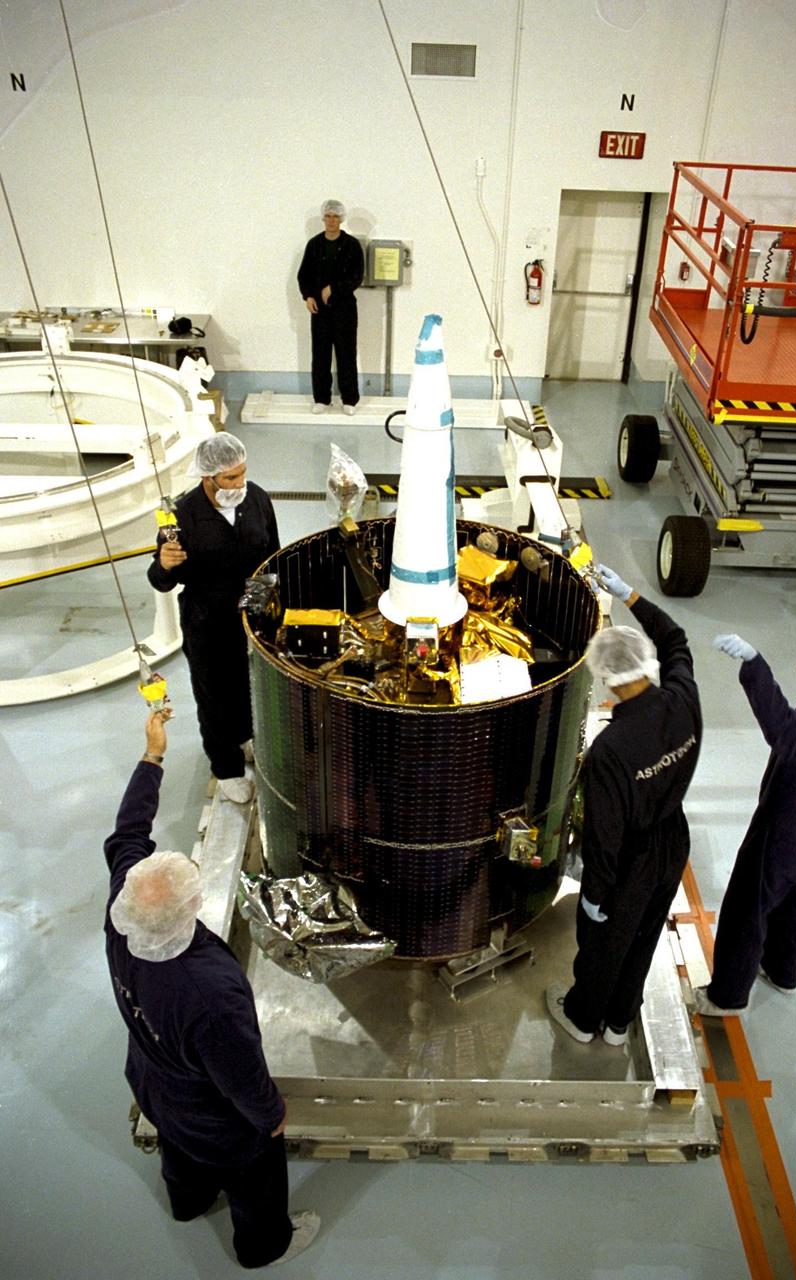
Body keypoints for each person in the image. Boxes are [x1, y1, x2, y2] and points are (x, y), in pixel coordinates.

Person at [104, 710, 320, 1268]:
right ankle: (263, 1245)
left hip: (152, 1083)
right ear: (191, 910)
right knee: (256, 1178)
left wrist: (152, 755)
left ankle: (189, 1201)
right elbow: (239, 1074)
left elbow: (127, 833)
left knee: (179, 1154)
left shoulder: (122, 913)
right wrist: (270, 1116)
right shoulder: (208, 993)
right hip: (216, 1121)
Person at [545, 565, 702, 1045]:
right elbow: (676, 640)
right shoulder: (683, 697)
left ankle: (582, 1017)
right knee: (645, 932)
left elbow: (605, 836)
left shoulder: (610, 751)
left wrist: (594, 894)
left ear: (609, 682)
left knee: (604, 943)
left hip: (629, 859)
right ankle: (619, 1020)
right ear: (643, 665)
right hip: (672, 840)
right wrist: (630, 595)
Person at [695, 629, 796, 1016]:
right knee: (791, 893)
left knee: (747, 906)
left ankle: (726, 997)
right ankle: (784, 971)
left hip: (782, 828)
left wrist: (754, 665)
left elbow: (784, 731)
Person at [147, 432, 278, 803]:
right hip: (207, 623)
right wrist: (163, 565)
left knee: (250, 687)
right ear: (208, 477)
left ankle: (247, 736)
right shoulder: (181, 517)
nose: (240, 484)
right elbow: (160, 581)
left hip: (250, 618)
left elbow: (272, 557)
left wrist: (268, 610)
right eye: (231, 478)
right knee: (215, 698)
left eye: (243, 474)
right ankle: (227, 768)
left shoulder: (258, 500)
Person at [297, 198, 364, 415]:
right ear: (323, 218)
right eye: (328, 216)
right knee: (321, 354)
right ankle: (321, 398)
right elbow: (303, 275)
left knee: (346, 353)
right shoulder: (314, 245)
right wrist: (308, 296)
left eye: (335, 216)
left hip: (344, 309)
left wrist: (333, 288)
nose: (331, 220)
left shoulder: (352, 245)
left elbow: (357, 277)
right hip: (320, 311)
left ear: (341, 219)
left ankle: (350, 399)